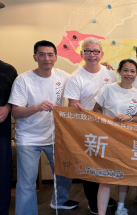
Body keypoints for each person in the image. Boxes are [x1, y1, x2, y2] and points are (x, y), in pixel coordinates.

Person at [8, 40, 78, 214]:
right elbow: (16, 112)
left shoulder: (63, 76)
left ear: (56, 57)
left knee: (64, 172)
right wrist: (37, 107)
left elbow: (83, 80)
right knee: (26, 182)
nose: (46, 58)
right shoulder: (23, 80)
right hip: (28, 138)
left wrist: (105, 67)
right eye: (42, 54)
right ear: (35, 57)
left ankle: (59, 201)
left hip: (56, 136)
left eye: (50, 54)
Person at [63, 37, 118, 214]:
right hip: (86, 127)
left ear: (101, 54)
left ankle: (105, 195)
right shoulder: (75, 77)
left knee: (105, 163)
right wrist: (76, 107)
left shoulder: (110, 72)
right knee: (89, 165)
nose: (92, 54)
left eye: (95, 51)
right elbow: (72, 104)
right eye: (88, 51)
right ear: (81, 54)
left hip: (107, 127)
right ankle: (93, 201)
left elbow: (117, 93)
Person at [93, 59, 137, 215]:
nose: (129, 74)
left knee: (124, 176)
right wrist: (106, 123)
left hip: (127, 140)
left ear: (136, 74)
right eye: (126, 70)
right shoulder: (107, 89)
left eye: (132, 71)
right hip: (107, 138)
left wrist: (128, 118)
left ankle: (120, 208)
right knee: (105, 179)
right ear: (119, 72)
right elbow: (96, 110)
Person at [0, 60, 17, 214]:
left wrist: (7, 107)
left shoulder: (8, 70)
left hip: (2, 133)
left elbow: (16, 98)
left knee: (3, 177)